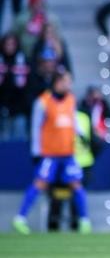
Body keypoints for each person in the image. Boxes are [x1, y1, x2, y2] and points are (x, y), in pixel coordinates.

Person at [12, 70, 91, 234]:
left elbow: (72, 120)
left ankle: (85, 221)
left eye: (69, 81)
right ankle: (20, 218)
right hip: (50, 153)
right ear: (57, 82)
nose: (68, 85)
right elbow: (36, 128)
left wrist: (81, 134)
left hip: (68, 152)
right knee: (40, 183)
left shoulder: (71, 99)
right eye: (65, 81)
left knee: (76, 184)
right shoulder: (43, 102)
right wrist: (36, 152)